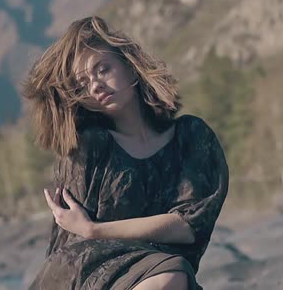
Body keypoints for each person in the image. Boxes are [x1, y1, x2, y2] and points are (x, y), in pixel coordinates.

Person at [21, 16, 229, 290]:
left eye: (103, 69)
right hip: (93, 276)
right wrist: (86, 233)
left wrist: (95, 230)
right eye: (82, 84)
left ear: (131, 68)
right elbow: (72, 245)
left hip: (166, 276)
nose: (95, 85)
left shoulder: (192, 137)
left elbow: (188, 226)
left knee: (171, 274)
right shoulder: (89, 148)